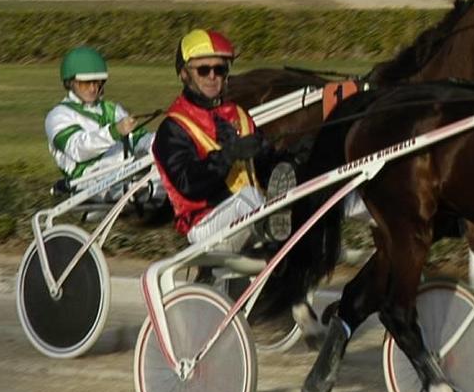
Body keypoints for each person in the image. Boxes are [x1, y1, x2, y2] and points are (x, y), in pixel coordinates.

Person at [152, 29, 295, 253]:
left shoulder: (238, 114)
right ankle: (272, 227)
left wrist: (285, 158)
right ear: (184, 74)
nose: (212, 76)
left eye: (219, 69)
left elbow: (265, 167)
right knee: (248, 198)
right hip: (204, 223)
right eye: (203, 69)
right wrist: (229, 154)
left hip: (246, 213)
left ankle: (275, 224)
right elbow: (188, 185)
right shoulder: (172, 127)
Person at [45, 46, 157, 200]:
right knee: (124, 164)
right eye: (86, 83)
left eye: (98, 83)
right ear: (70, 83)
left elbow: (140, 140)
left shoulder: (112, 109)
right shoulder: (58, 115)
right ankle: (136, 188)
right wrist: (114, 132)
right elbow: (78, 149)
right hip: (88, 182)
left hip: (125, 170)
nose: (93, 89)